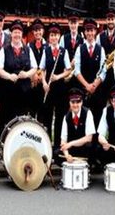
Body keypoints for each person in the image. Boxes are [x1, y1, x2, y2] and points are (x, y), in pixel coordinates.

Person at [0, 20, 37, 126]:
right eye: (15, 32)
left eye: (19, 32)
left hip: (24, 91)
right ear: (11, 34)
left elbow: (35, 67)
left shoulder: (28, 49)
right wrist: (9, 76)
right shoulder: (4, 49)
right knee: (6, 117)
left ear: (22, 34)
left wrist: (27, 74)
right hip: (8, 91)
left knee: (22, 118)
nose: (17, 35)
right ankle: (4, 140)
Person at [39, 23, 71, 152]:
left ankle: (57, 145)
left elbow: (68, 70)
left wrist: (58, 77)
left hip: (60, 89)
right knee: (47, 117)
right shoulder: (46, 51)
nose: (54, 37)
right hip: (49, 89)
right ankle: (47, 144)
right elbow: (41, 69)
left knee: (59, 117)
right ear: (49, 37)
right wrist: (44, 83)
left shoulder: (64, 51)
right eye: (51, 35)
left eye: (56, 35)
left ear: (59, 36)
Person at [73, 18, 106, 119]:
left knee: (97, 118)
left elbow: (103, 71)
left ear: (95, 31)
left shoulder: (101, 49)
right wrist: (87, 85)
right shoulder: (79, 49)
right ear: (84, 32)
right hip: (83, 90)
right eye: (87, 31)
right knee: (83, 118)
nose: (90, 33)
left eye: (92, 30)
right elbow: (77, 70)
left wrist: (94, 85)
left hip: (97, 91)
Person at [59, 89, 96, 164]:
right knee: (56, 153)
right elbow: (63, 141)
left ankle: (90, 166)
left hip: (84, 149)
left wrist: (71, 143)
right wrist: (67, 155)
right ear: (69, 103)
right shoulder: (66, 117)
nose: (75, 105)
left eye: (78, 102)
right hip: (72, 151)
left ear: (82, 102)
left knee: (94, 148)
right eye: (73, 102)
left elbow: (89, 138)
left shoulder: (88, 113)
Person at [27, 18, 46, 117]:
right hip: (33, 81)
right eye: (35, 30)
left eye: (39, 30)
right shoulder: (29, 46)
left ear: (43, 31)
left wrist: (41, 76)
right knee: (32, 108)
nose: (37, 32)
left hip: (43, 80)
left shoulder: (47, 46)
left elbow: (48, 64)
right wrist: (33, 75)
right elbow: (28, 62)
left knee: (43, 109)